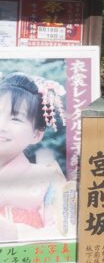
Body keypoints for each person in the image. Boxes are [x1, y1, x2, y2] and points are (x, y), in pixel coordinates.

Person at [0, 73, 69, 239]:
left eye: (15, 118)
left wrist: (14, 233)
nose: (1, 125)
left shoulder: (49, 178)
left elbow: (64, 234)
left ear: (36, 135)